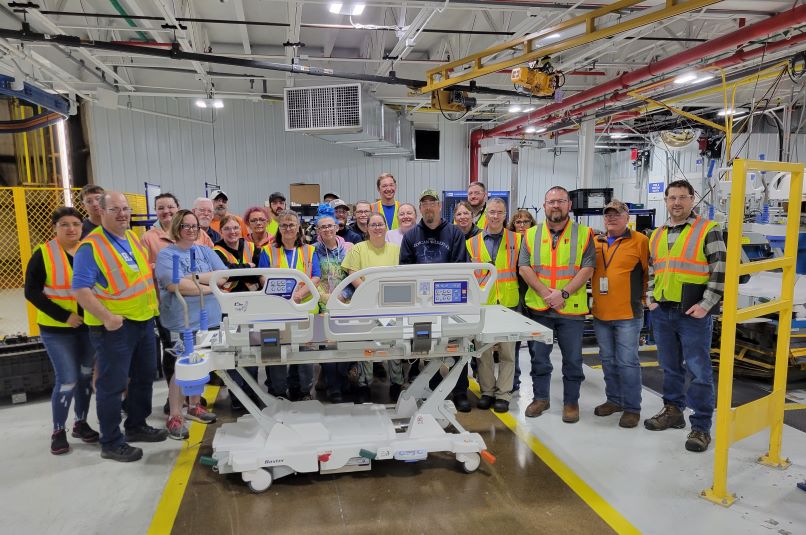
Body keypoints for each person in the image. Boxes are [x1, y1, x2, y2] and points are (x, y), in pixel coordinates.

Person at [72, 192, 166, 462]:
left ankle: (136, 425)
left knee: (145, 376)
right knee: (112, 385)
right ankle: (111, 441)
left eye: (126, 209)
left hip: (143, 321)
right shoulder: (91, 247)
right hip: (115, 328)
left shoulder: (132, 240)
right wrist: (107, 318)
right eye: (116, 209)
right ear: (101, 212)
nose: (123, 214)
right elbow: (80, 289)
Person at [644, 180, 725, 453]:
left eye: (682, 197)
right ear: (665, 201)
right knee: (670, 368)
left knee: (699, 372)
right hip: (663, 311)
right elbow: (654, 269)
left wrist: (707, 304)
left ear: (693, 200)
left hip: (693, 314)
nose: (676, 203)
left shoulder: (708, 230)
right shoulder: (656, 234)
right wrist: (651, 297)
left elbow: (720, 270)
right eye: (672, 198)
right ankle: (673, 411)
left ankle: (701, 426)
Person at [25, 206, 99, 454]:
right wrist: (65, 316)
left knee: (86, 376)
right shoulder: (43, 254)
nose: (71, 229)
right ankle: (58, 429)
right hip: (57, 329)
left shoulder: (89, 250)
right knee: (67, 379)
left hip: (88, 327)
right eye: (64, 224)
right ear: (54, 227)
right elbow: (31, 291)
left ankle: (81, 423)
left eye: (76, 224)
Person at [518, 186, 594, 424]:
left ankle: (571, 402)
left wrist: (563, 293)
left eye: (561, 201)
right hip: (539, 308)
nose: (556, 206)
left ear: (569, 205)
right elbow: (524, 267)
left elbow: (588, 268)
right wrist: (544, 293)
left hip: (571, 309)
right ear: (544, 205)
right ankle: (541, 398)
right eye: (551, 202)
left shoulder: (585, 233)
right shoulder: (530, 234)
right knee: (539, 357)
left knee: (573, 359)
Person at [400, 189, 470, 411]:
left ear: (439, 206)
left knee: (458, 346)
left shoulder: (454, 233)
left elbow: (461, 268)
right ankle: (431, 386)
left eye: (433, 203)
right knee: (426, 346)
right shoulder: (411, 236)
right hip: (421, 304)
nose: (429, 207)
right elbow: (405, 270)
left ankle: (460, 390)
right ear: (420, 208)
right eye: (424, 203)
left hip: (450, 300)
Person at [155, 210, 222, 439]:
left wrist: (193, 278)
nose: (192, 230)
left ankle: (195, 405)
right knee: (181, 367)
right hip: (182, 320)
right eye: (186, 226)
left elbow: (223, 276)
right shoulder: (167, 255)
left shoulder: (204, 251)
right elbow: (175, 285)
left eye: (195, 226)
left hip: (209, 318)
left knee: (200, 363)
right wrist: (207, 285)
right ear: (176, 227)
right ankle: (175, 414)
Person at [590, 200, 649, 429]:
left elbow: (647, 273)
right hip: (601, 314)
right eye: (608, 215)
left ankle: (633, 407)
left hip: (627, 314)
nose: (612, 218)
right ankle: (614, 400)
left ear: (627, 217)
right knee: (607, 360)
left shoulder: (640, 241)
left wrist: (644, 301)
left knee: (627, 362)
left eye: (617, 214)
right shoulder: (596, 242)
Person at [258, 210, 321, 400]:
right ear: (278, 227)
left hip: (305, 310)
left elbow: (316, 276)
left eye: (292, 224)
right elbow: (262, 277)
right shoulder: (267, 250)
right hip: (277, 310)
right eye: (283, 225)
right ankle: (278, 392)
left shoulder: (310, 250)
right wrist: (283, 297)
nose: (288, 228)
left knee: (304, 354)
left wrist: (300, 295)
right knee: (277, 353)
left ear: (298, 227)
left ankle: (303, 391)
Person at [465, 198, 520, 414]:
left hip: (509, 303)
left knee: (508, 353)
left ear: (506, 215)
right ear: (485, 214)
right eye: (491, 212)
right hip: (483, 305)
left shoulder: (518, 240)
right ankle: (487, 391)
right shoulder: (472, 243)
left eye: (499, 212)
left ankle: (504, 394)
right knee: (483, 352)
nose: (495, 216)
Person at [342, 213, 402, 402]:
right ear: (367, 228)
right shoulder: (359, 249)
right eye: (373, 225)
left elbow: (403, 275)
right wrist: (370, 293)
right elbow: (352, 274)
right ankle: (363, 384)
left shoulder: (395, 250)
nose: (377, 228)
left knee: (395, 344)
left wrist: (386, 296)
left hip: (391, 303)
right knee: (366, 345)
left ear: (386, 227)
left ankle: (397, 383)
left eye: (380, 224)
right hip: (365, 304)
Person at [314, 210, 355, 403]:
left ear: (337, 227)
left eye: (330, 225)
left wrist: (344, 295)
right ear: (318, 230)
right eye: (323, 227)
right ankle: (334, 386)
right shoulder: (313, 250)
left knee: (347, 344)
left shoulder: (349, 248)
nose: (327, 229)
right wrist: (326, 298)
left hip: (347, 301)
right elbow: (313, 276)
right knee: (327, 346)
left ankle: (342, 376)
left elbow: (353, 276)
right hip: (323, 303)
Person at [507, 208, 537, 393]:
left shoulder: (537, 242)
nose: (522, 225)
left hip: (534, 297)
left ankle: (537, 383)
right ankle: (514, 380)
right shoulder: (510, 244)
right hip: (515, 297)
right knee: (514, 343)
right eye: (518, 222)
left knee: (536, 344)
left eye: (526, 222)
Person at [214, 215, 259, 293]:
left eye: (235, 228)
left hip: (253, 293)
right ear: (221, 232)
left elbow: (259, 272)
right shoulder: (216, 251)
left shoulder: (251, 247)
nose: (232, 232)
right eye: (227, 229)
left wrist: (235, 272)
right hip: (229, 295)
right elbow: (225, 271)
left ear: (241, 229)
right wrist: (248, 266)